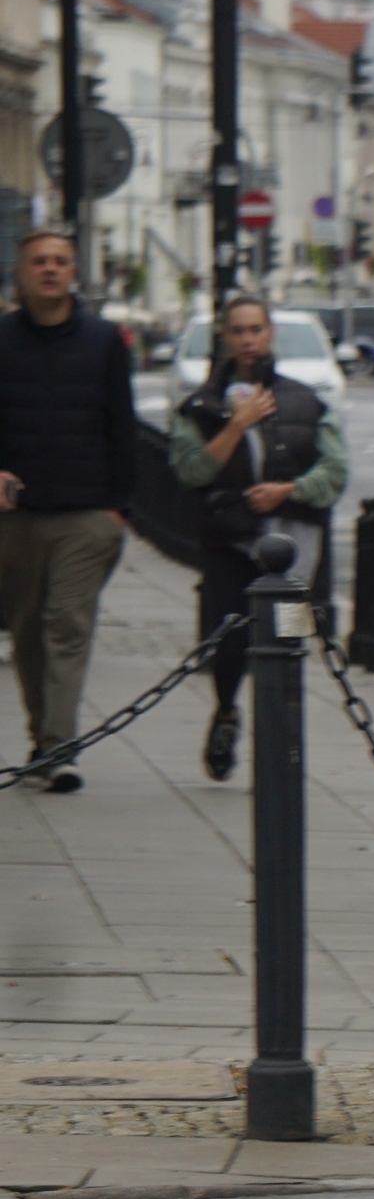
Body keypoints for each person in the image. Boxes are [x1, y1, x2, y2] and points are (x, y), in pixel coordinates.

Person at [170, 294, 347, 780]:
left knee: (288, 643)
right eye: (238, 331)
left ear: (270, 335)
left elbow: (335, 471)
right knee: (227, 644)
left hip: (294, 551)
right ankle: (227, 712)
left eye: (256, 330)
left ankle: (281, 745)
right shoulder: (202, 405)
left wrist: (291, 490)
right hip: (231, 541)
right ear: (224, 339)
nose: (248, 340)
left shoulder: (305, 402)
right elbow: (191, 471)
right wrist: (238, 426)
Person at [0, 230, 138, 793]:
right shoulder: (2, 339)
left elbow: (123, 427)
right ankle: (43, 737)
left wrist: (120, 509)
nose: (50, 270)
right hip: (16, 514)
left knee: (67, 623)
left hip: (87, 513)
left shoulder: (105, 341)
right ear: (22, 273)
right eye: (40, 262)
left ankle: (61, 747)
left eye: (60, 261)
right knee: (28, 630)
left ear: (75, 271)